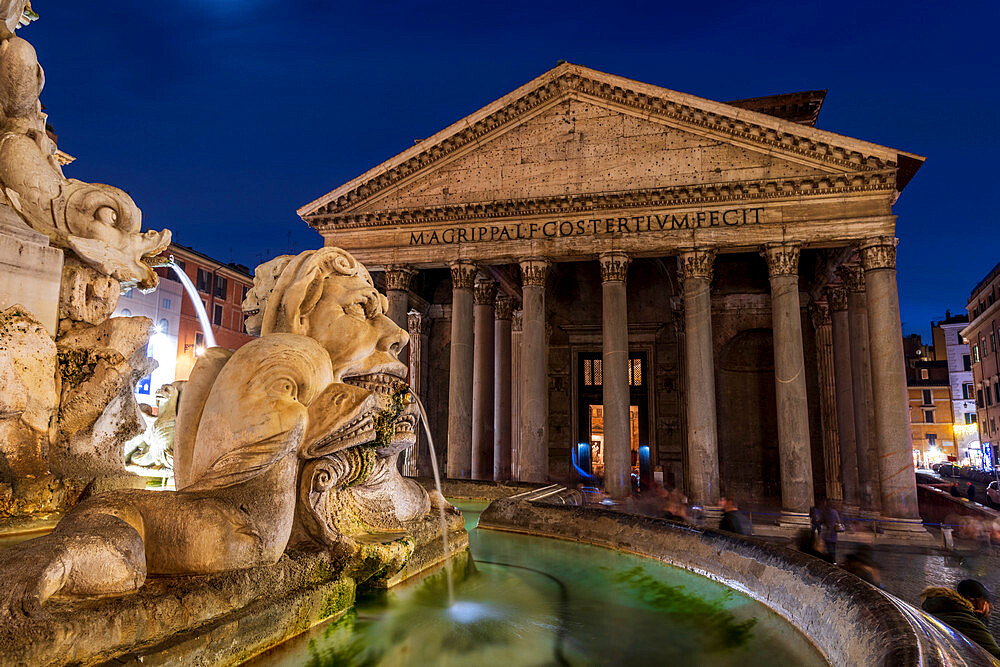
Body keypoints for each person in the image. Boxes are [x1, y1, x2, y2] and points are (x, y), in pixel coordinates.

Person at [921, 580, 1000, 659]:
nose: (991, 607)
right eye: (986, 601)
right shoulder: (968, 623)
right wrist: (982, 619)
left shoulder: (942, 608)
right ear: (972, 600)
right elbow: (995, 654)